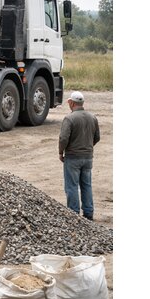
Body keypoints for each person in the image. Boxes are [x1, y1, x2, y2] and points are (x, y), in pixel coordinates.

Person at [58, 90, 100, 220]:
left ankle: (73, 215)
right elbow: (97, 137)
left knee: (72, 186)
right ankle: (88, 214)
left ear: (71, 103)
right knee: (86, 185)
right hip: (88, 157)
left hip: (73, 157)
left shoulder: (69, 118)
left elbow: (63, 138)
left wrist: (61, 152)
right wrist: (88, 147)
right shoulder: (93, 117)